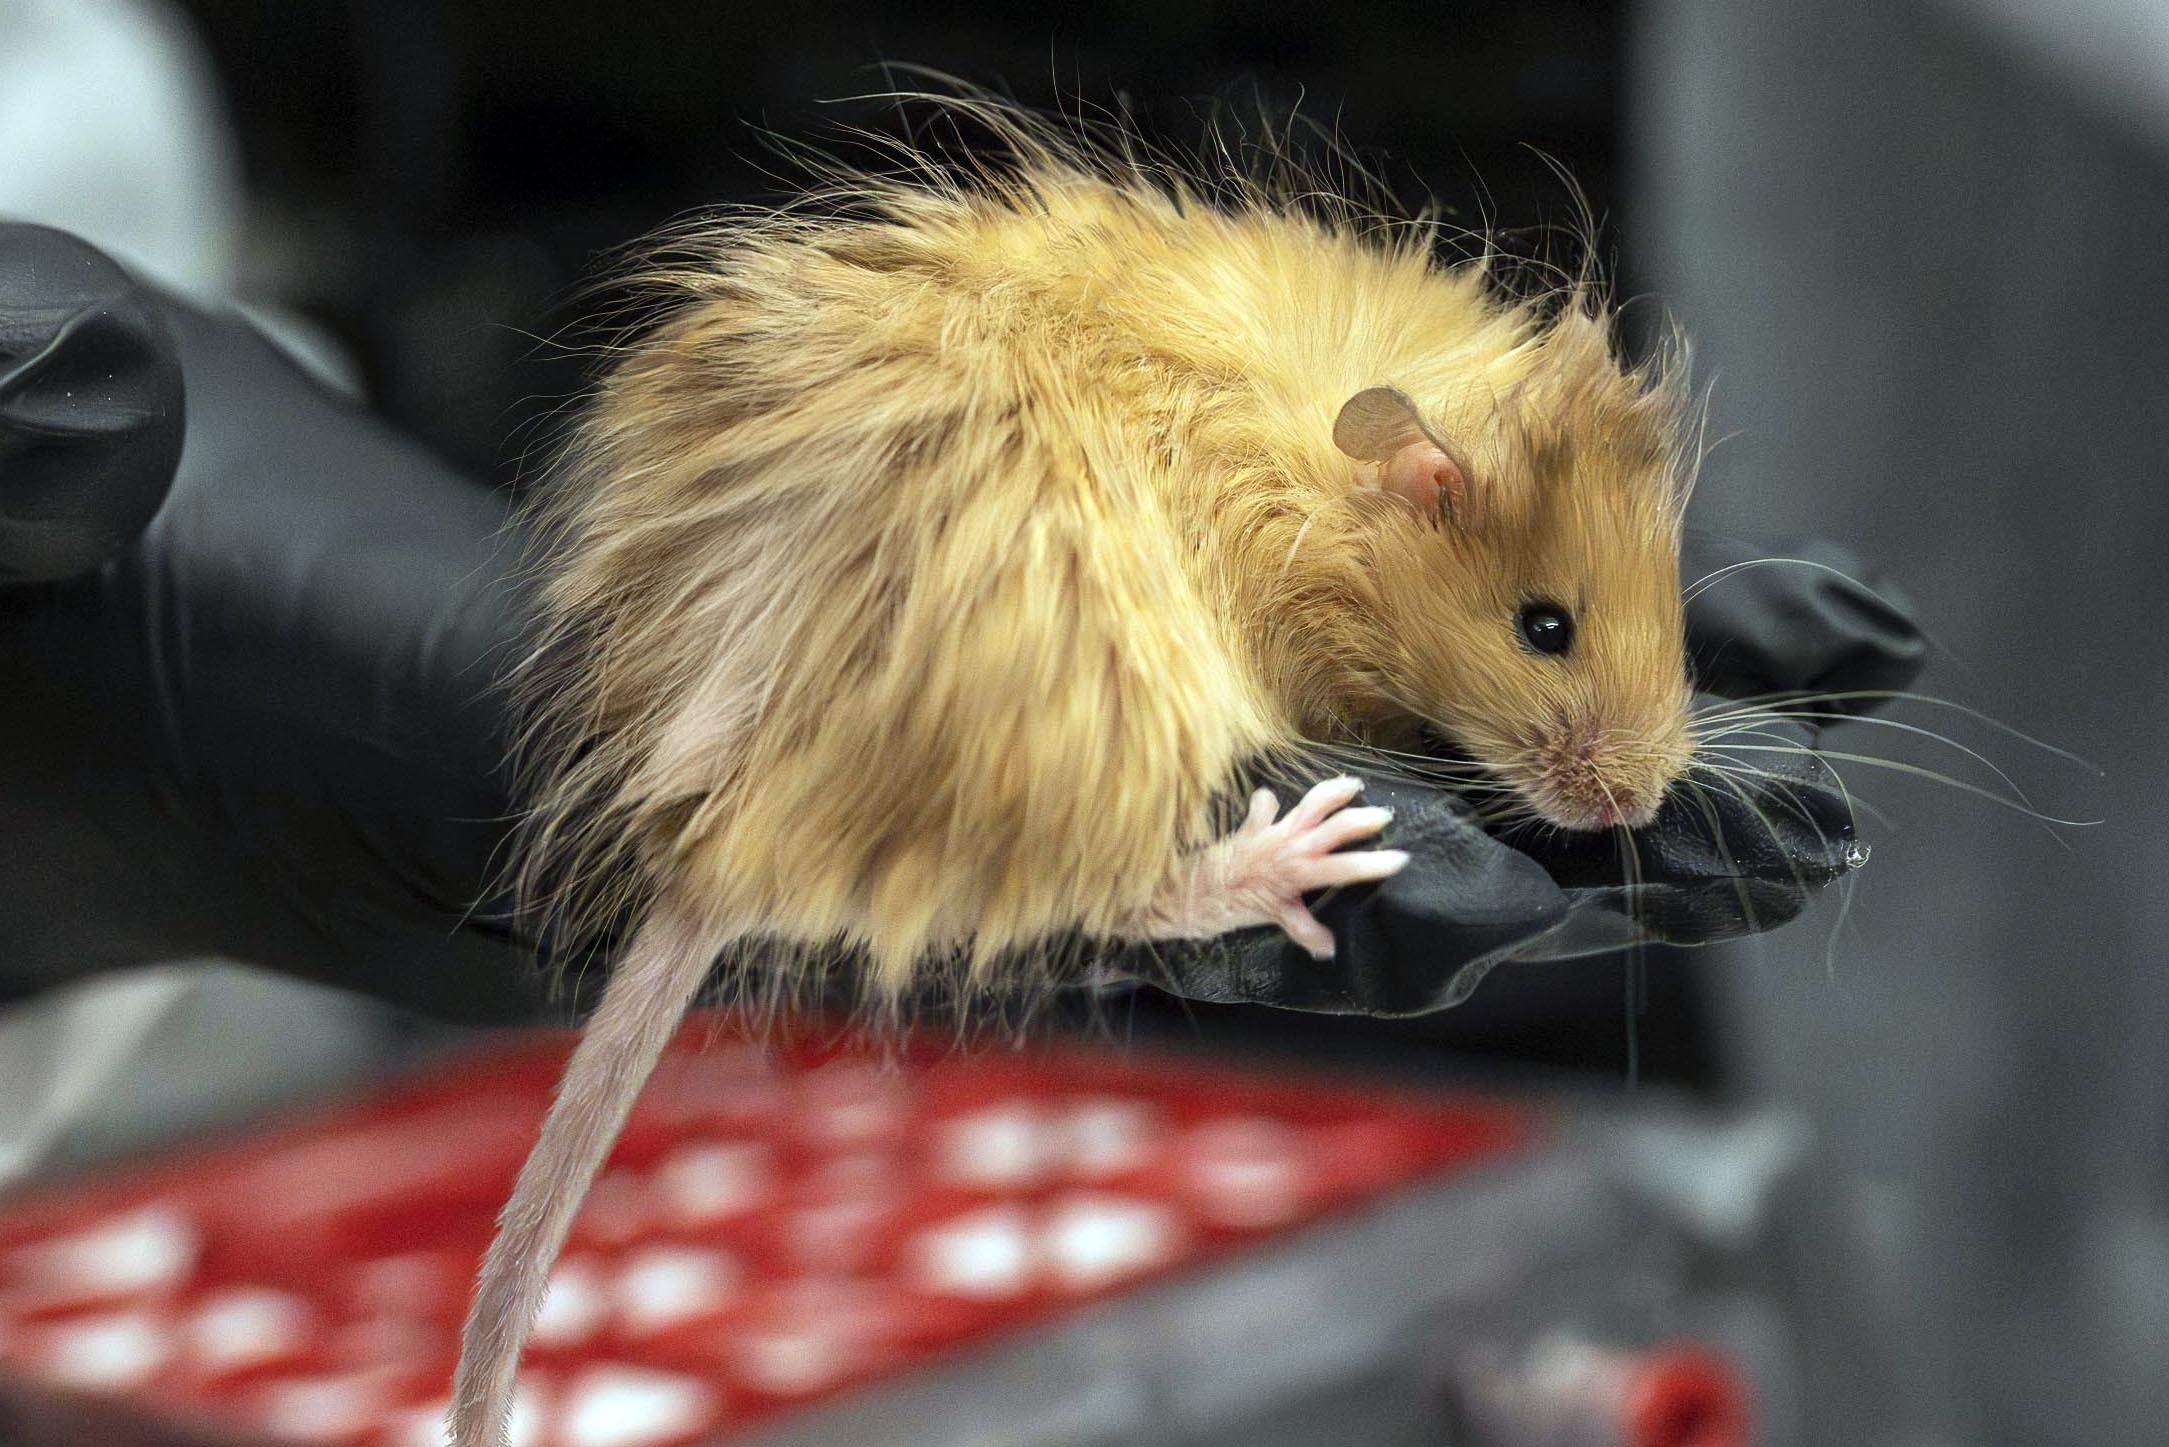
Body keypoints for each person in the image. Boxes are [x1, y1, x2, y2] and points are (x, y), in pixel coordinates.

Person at [0, 221, 1926, 1026]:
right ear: (1407, 480)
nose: (1613, 741)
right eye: (1547, 636)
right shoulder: (1335, 479)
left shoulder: (1401, 458)